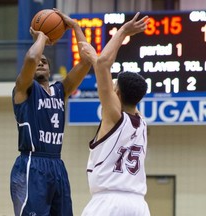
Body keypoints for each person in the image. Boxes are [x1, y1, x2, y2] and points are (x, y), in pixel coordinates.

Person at [10, 8, 91, 216]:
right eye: (39, 60)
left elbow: (87, 60)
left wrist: (75, 26)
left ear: (49, 69)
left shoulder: (60, 90)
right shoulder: (23, 89)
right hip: (31, 164)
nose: (40, 62)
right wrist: (42, 38)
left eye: (45, 61)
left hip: (57, 165)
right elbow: (30, 59)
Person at [78, 12, 151, 216]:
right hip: (139, 205)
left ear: (116, 92)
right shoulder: (142, 122)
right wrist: (93, 57)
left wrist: (123, 31)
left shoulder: (113, 117)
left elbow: (103, 64)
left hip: (108, 203)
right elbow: (100, 63)